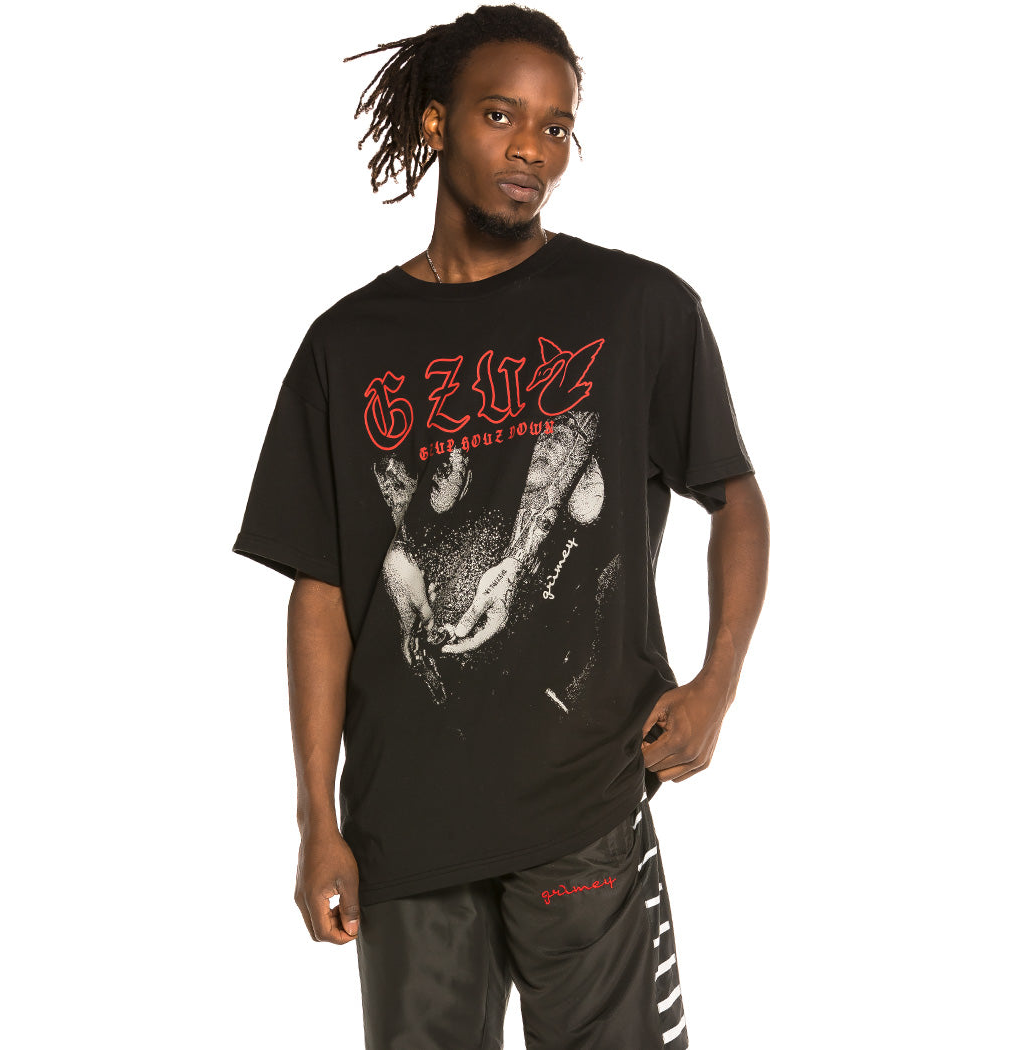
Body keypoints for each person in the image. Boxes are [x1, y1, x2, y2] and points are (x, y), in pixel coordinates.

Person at [231, 5, 770, 1047]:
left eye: (556, 126)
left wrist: (717, 685)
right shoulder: (345, 345)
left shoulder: (636, 306)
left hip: (582, 807)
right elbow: (323, 590)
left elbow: (734, 497)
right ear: (436, 123)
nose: (532, 149)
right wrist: (316, 822)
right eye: (500, 115)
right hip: (406, 828)